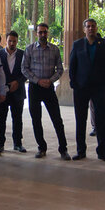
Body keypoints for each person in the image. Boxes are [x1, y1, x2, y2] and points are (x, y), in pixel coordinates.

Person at [68, 18, 105, 161]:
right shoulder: (77, 44)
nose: (90, 28)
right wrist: (74, 83)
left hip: (99, 88)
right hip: (81, 88)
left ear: (96, 28)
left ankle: (102, 152)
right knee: (80, 120)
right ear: (84, 29)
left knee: (101, 120)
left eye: (93, 26)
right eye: (88, 26)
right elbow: (72, 65)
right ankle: (81, 151)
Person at [24, 23, 70, 160]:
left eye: (45, 32)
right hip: (35, 88)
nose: (43, 35)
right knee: (36, 119)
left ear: (48, 33)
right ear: (36, 33)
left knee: (57, 119)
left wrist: (50, 80)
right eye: (40, 32)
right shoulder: (29, 49)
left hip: (49, 88)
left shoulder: (54, 49)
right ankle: (41, 147)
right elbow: (24, 69)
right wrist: (37, 81)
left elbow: (60, 69)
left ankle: (63, 149)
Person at [0, 30, 28, 153]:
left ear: (17, 41)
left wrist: (18, 82)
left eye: (14, 41)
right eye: (10, 41)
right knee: (1, 118)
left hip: (17, 91)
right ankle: (0, 144)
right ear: (6, 40)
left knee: (17, 119)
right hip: (2, 91)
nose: (12, 43)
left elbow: (26, 71)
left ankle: (18, 143)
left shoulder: (23, 54)